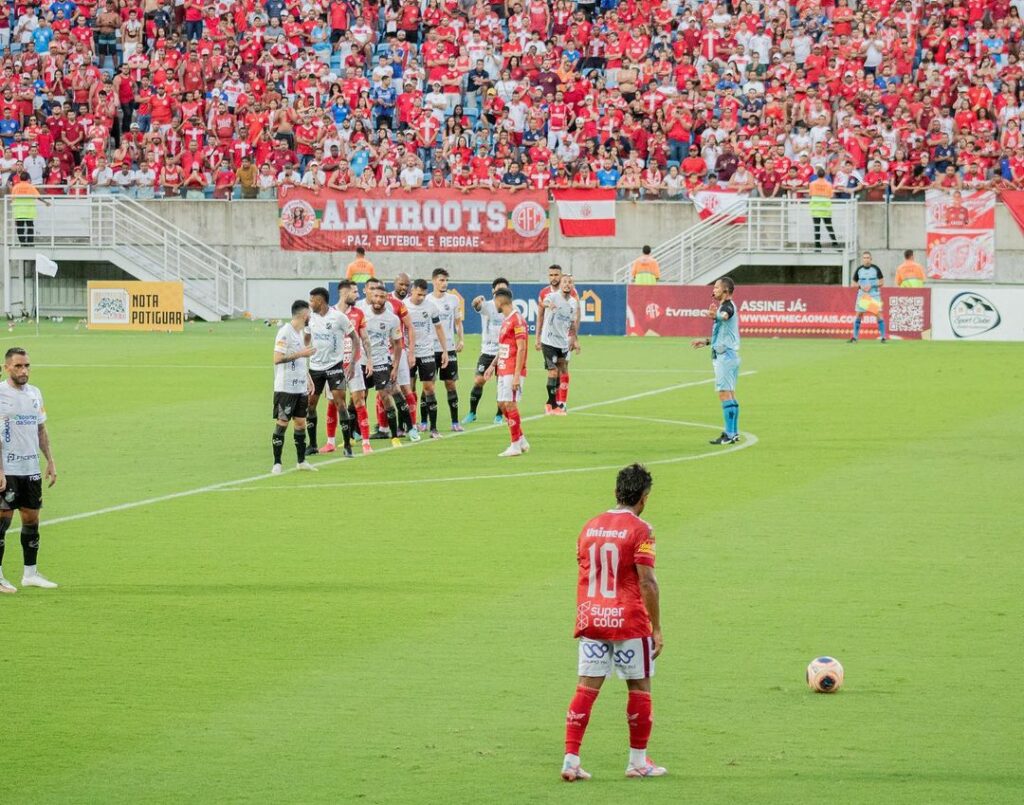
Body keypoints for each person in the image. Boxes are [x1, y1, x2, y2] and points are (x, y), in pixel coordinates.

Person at [561, 463, 665, 782]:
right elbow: (647, 581)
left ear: (616, 492)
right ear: (644, 497)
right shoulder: (641, 529)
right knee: (639, 686)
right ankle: (637, 762)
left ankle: (571, 760)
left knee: (586, 687)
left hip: (592, 617)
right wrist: (656, 628)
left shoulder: (589, 526)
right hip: (629, 621)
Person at [0, 347, 58, 593]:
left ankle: (30, 574)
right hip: (7, 469)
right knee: (2, 523)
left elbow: (41, 429)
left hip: (30, 468)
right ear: (7, 368)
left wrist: (51, 461)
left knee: (32, 520)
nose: (24, 371)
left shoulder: (35, 393)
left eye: (27, 366)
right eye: (18, 366)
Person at [305, 287, 359, 456]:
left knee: (341, 405)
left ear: (320, 301)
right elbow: (306, 339)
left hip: (335, 367)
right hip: (315, 368)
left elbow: (355, 339)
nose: (310, 303)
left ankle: (347, 447)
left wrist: (351, 364)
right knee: (310, 405)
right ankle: (312, 444)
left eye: (312, 300)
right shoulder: (310, 318)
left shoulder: (338, 317)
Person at [691, 277, 741, 444]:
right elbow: (722, 334)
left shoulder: (727, 306)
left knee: (724, 394)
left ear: (725, 291)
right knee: (730, 394)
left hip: (725, 356)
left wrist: (716, 315)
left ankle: (729, 434)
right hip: (729, 355)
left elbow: (725, 316)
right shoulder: (724, 306)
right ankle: (733, 433)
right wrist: (705, 342)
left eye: (717, 287)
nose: (714, 289)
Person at [271, 301, 319, 474]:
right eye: (309, 315)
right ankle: (277, 463)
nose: (310, 318)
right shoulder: (284, 332)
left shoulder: (299, 333)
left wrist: (308, 378)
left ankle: (301, 461)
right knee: (282, 423)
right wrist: (302, 353)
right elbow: (277, 358)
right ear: (304, 315)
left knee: (300, 423)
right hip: (285, 388)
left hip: (300, 387)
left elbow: (300, 360)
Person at [404, 278, 449, 438]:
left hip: (426, 352)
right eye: (419, 294)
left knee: (429, 388)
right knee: (409, 389)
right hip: (408, 353)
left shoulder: (431, 307)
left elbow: (438, 328)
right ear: (412, 290)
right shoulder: (403, 306)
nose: (421, 297)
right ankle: (410, 425)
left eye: (424, 295)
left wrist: (444, 351)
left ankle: (434, 428)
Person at [363, 284, 406, 449]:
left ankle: (394, 436)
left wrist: (395, 366)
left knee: (385, 397)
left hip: (381, 361)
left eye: (381, 297)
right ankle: (354, 437)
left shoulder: (392, 319)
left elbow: (397, 344)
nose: (378, 300)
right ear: (370, 297)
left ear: (386, 298)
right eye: (375, 296)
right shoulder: (362, 315)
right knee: (358, 399)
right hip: (363, 363)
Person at [488, 287, 530, 457]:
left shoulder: (517, 320)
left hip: (513, 370)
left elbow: (521, 348)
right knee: (502, 404)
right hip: (503, 368)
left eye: (494, 301)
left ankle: (515, 446)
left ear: (500, 300)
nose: (494, 304)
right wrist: (493, 365)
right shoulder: (506, 320)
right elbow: (504, 347)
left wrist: (517, 376)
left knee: (510, 404)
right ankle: (520, 439)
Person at [464, 277, 509, 426]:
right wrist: (476, 302)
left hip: (504, 353)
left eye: (504, 289)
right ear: (493, 291)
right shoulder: (488, 306)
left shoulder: (510, 310)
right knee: (479, 380)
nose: (501, 292)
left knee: (501, 385)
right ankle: (472, 412)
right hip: (487, 351)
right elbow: (476, 306)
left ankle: (499, 415)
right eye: (498, 289)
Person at [536, 264, 579, 411]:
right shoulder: (549, 294)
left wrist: (574, 339)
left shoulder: (573, 300)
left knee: (563, 369)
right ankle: (552, 403)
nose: (553, 278)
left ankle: (562, 402)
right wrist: (548, 305)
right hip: (548, 340)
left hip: (563, 341)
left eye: (556, 275)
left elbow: (573, 322)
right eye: (551, 275)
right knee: (553, 371)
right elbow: (544, 305)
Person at [429, 268, 464, 431]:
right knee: (429, 385)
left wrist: (461, 339)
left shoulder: (453, 300)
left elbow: (458, 322)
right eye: (441, 280)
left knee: (450, 384)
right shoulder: (427, 301)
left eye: (446, 280)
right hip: (429, 349)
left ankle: (455, 421)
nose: (444, 283)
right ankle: (423, 422)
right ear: (433, 281)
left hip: (449, 348)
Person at [850, 252, 888, 343]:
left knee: (878, 314)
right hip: (863, 295)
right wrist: (861, 286)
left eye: (868, 258)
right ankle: (855, 337)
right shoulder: (859, 270)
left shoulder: (876, 269)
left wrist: (872, 285)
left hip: (873, 295)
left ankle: (883, 337)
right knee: (859, 314)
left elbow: (882, 282)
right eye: (864, 258)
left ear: (871, 259)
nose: (866, 259)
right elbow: (853, 283)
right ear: (862, 259)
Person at [11, 171, 50, 245]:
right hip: (29, 211)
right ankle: (30, 242)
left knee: (20, 228)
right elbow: (38, 197)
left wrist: (14, 214)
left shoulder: (15, 187)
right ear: (28, 179)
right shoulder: (31, 187)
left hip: (19, 211)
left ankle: (23, 243)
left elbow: (13, 199)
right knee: (30, 226)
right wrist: (45, 202)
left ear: (20, 178)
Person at [808, 168, 840, 250]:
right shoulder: (829, 184)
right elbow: (830, 195)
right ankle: (834, 242)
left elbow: (810, 194)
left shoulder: (812, 183)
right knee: (829, 225)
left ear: (817, 175)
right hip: (825, 206)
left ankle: (817, 245)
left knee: (817, 227)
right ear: (825, 175)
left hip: (815, 206)